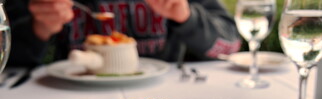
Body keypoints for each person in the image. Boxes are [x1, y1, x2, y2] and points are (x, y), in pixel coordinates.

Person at [5, 0, 241, 67]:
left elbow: (230, 43)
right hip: (73, 98)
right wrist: (39, 28)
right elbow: (8, 58)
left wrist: (186, 16)